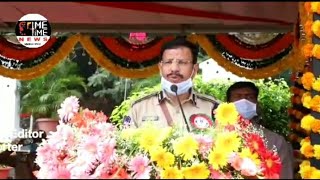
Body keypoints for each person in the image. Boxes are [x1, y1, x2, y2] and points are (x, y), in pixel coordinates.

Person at [125, 38, 219, 131]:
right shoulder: (139, 108)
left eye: (182, 62)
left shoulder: (214, 108)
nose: (174, 68)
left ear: (194, 69)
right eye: (168, 62)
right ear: (160, 67)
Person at [226, 81, 294, 179]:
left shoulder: (276, 141)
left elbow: (286, 174)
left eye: (249, 97)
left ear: (257, 103)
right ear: (228, 103)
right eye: (238, 96)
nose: (244, 101)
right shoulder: (217, 136)